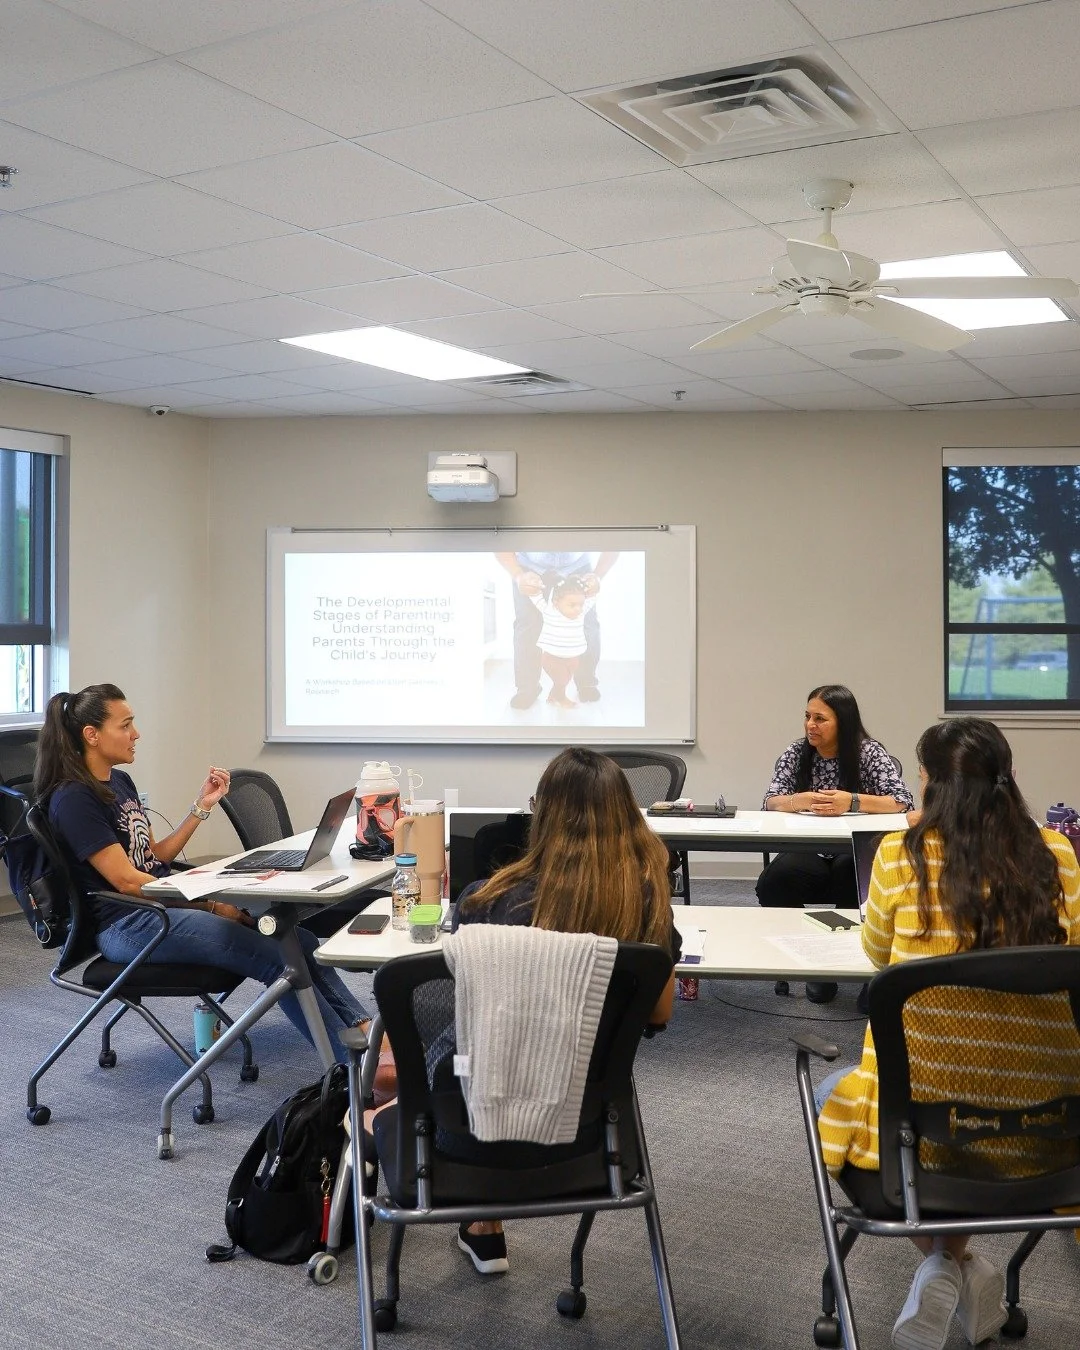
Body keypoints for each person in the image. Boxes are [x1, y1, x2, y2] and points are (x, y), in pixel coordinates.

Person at [816, 718, 1080, 1350]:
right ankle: (961, 1265)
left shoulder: (900, 854)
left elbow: (879, 952)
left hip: (920, 1145)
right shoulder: (1057, 854)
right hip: (1048, 1131)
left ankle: (940, 1264)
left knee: (834, 1088)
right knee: (955, 1102)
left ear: (932, 784)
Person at [440, 747, 679, 1275]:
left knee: (395, 1072)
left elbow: (464, 1009)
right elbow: (659, 1013)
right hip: (592, 1136)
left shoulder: (483, 902)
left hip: (472, 1126)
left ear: (542, 815)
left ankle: (483, 1222)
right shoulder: (643, 904)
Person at [34, 684, 367, 1059]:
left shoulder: (119, 782)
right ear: (92, 736)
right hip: (131, 924)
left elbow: (151, 857)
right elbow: (126, 881)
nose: (136, 734)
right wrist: (209, 903)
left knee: (299, 940)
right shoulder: (75, 799)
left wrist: (200, 807)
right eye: (126, 725)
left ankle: (366, 1034)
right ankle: (349, 1065)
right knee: (278, 958)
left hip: (161, 908)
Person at [757, 684, 914, 1003]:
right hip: (808, 849)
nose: (810, 725)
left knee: (851, 877)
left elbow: (902, 802)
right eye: (807, 717)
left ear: (843, 722)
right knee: (775, 881)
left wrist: (853, 802)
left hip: (854, 851)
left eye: (820, 719)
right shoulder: (797, 752)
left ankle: (866, 973)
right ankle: (818, 968)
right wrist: (797, 800)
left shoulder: (868, 752)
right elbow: (771, 801)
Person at [495, 551, 618, 709]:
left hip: (578, 566)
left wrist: (598, 576)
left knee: (588, 623)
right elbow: (499, 539)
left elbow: (613, 545)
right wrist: (518, 575)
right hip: (529, 568)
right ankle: (527, 688)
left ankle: (587, 682)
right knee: (527, 624)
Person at [529, 574, 596, 706]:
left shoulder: (581, 613)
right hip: (551, 657)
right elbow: (535, 597)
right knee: (562, 680)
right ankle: (561, 698)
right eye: (572, 605)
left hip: (573, 656)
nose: (578, 608)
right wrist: (534, 588)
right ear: (556, 603)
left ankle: (553, 695)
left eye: (580, 604)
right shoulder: (549, 611)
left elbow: (593, 597)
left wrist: (594, 585)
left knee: (564, 680)